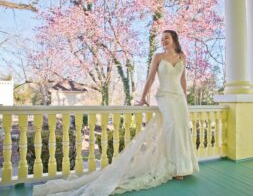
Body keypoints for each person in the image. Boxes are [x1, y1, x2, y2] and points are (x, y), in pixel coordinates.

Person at [32, 30, 199, 196]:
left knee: (181, 128)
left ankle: (184, 166)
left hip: (179, 99)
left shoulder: (182, 56)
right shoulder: (158, 57)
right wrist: (143, 98)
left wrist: (185, 99)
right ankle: (174, 167)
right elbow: (150, 78)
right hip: (165, 97)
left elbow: (183, 80)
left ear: (174, 39)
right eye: (162, 39)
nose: (163, 41)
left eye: (166, 38)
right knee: (172, 127)